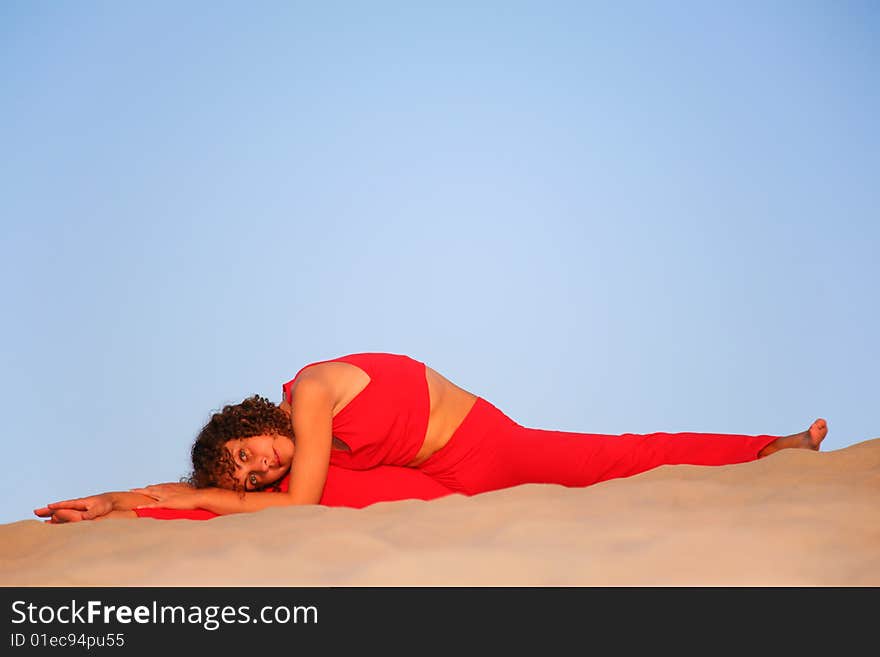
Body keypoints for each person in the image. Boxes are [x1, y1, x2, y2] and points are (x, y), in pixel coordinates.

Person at [37, 351, 828, 521]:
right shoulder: (298, 463)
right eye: (244, 471)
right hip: (431, 489)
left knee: (610, 456)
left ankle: (769, 447)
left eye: (245, 452)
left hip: (479, 449)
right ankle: (127, 506)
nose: (257, 465)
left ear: (254, 422)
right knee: (226, 516)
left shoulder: (309, 393)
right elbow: (290, 499)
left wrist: (233, 492)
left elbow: (299, 497)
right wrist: (115, 498)